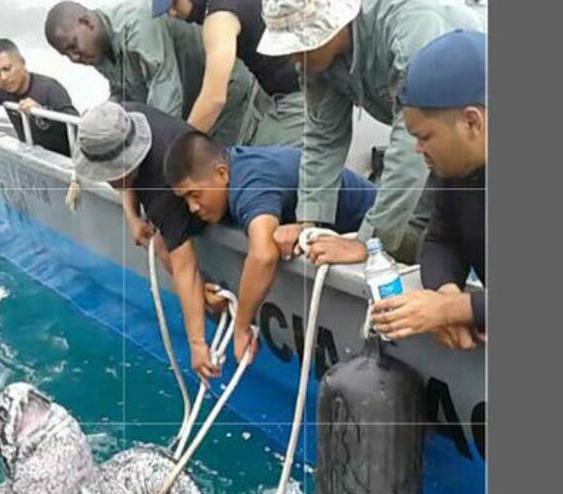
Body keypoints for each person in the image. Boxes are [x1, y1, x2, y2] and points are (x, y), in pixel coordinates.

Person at [257, 0, 482, 266]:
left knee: (459, 233)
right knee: (420, 240)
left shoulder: (412, 24)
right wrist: (307, 222)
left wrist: (367, 242)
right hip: (439, 146)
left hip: (476, 138)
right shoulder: (317, 61)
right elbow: (322, 138)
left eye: (299, 45)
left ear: (336, 24)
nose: (293, 57)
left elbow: (411, 140)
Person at [164, 131, 377, 363]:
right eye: (185, 199)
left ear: (222, 173)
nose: (192, 207)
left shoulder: (251, 187)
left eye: (195, 195)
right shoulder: (232, 166)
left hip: (377, 230)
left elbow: (264, 256)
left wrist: (241, 327)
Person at [70, 101, 227, 381]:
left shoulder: (163, 187)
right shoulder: (122, 115)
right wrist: (132, 215)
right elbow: (124, 176)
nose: (111, 181)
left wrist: (197, 343)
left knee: (165, 244)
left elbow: (184, 265)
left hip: (214, 192)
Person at [371, 30, 487, 350]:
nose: (418, 149)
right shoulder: (458, 170)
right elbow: (440, 240)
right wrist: (446, 293)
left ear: (472, 122)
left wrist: (449, 309)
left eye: (425, 136)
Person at [44, 0, 255, 146]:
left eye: (73, 47)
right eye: (66, 55)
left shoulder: (136, 25)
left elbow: (166, 100)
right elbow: (127, 93)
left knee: (214, 166)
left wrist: (157, 153)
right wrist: (106, 118)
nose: (75, 58)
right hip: (188, 100)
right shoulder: (95, 50)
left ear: (87, 23)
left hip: (224, 92)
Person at [154, 0, 305, 146]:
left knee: (259, 163)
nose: (172, 14)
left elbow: (213, 99)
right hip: (302, 84)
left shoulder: (219, 19)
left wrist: (178, 148)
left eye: (174, 4)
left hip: (300, 96)